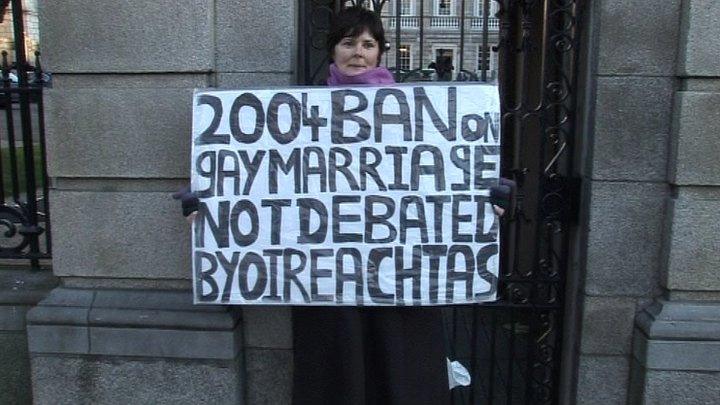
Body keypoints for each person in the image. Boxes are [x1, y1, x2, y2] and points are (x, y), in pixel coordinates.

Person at [174, 6, 516, 404]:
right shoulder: (300, 115)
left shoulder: (424, 113)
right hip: (329, 286)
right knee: (337, 382)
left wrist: (487, 197)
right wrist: (212, 202)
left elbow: (456, 170)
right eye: (348, 42)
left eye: (368, 44)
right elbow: (260, 174)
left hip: (402, 281)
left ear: (381, 52)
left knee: (400, 379)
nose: (358, 52)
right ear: (333, 50)